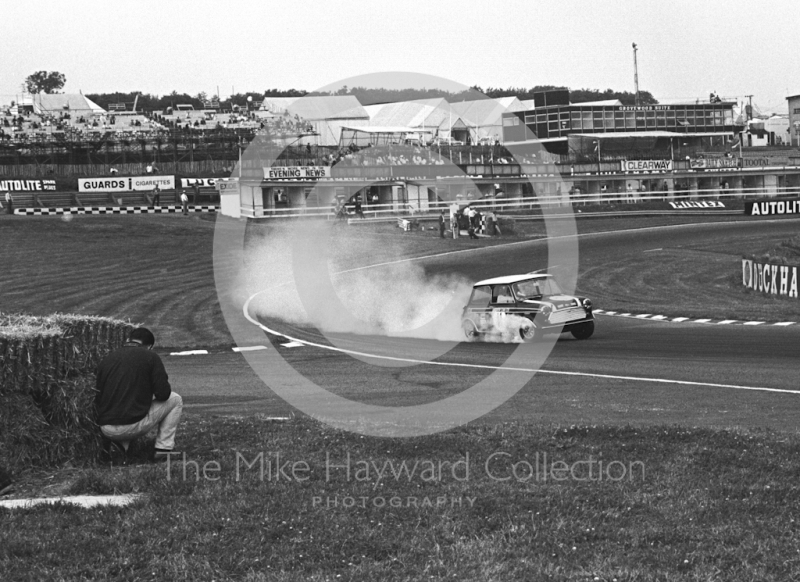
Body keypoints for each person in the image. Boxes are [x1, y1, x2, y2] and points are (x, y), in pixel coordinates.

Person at [95, 327, 183, 461]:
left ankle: (121, 447)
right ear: (149, 346)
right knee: (175, 399)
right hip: (132, 424)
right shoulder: (150, 356)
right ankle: (163, 449)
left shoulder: (108, 358)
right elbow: (163, 394)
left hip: (106, 428)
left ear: (128, 340)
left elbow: (98, 396)